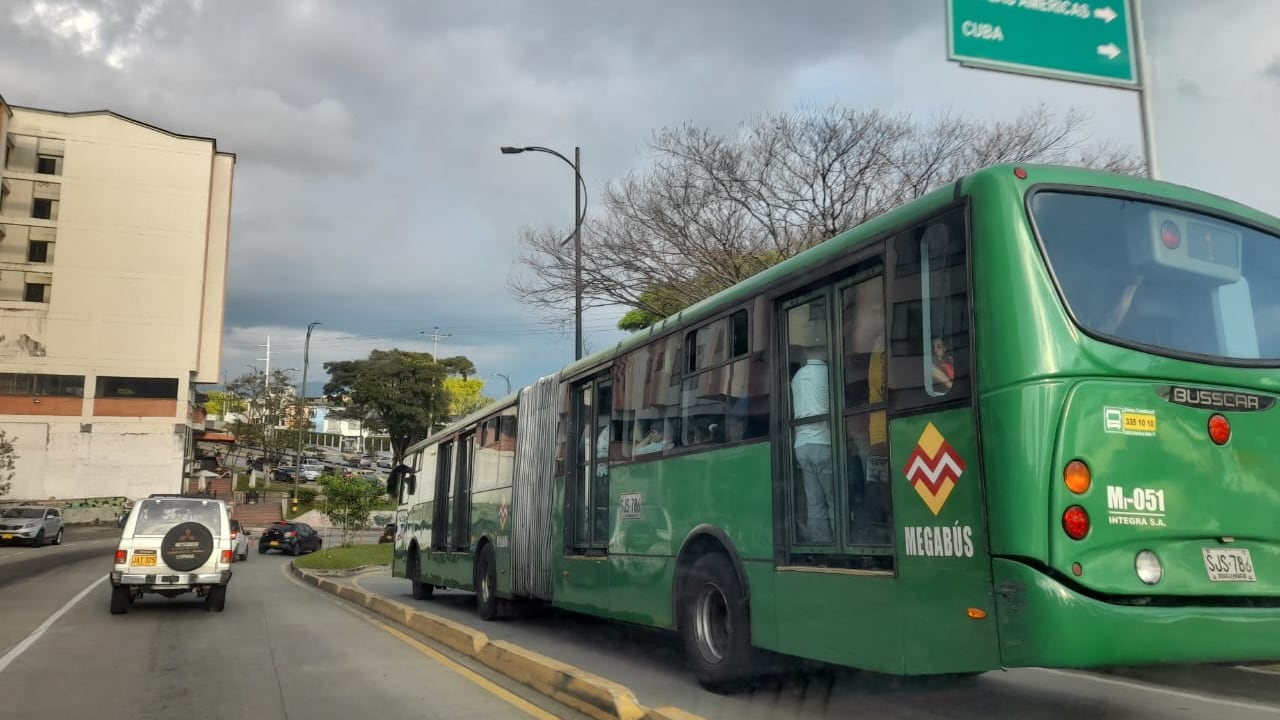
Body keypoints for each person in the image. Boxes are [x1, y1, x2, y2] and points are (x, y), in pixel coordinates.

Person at [791, 341, 833, 544]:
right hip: (823, 442)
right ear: (824, 351)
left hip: (801, 445)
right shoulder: (828, 373)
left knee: (814, 501)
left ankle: (822, 543)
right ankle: (839, 540)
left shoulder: (797, 377)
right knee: (834, 499)